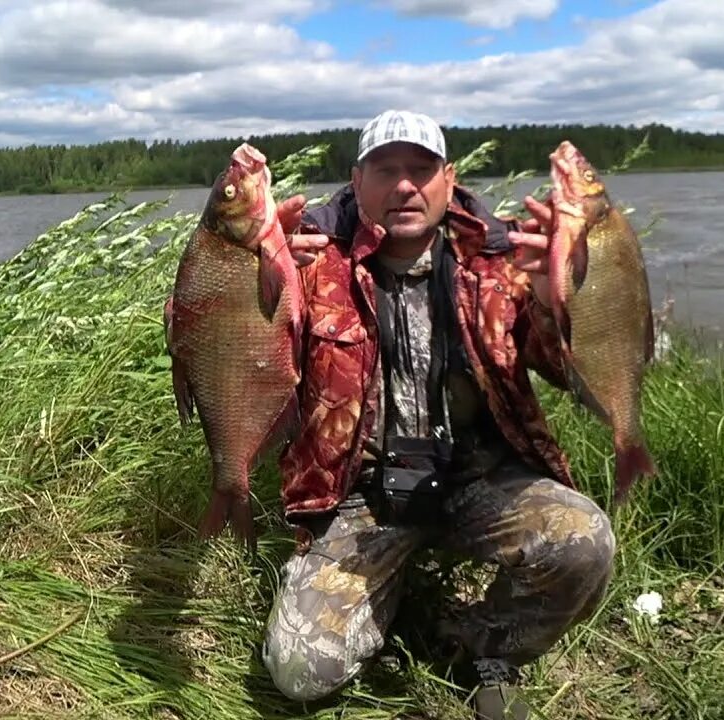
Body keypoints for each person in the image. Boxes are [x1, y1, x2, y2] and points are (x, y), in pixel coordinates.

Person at [260, 110, 618, 720]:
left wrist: (568, 297)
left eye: (421, 170)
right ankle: (396, 599)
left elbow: (575, 376)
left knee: (584, 543)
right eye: (386, 170)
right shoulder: (308, 258)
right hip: (362, 497)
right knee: (299, 672)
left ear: (448, 179)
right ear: (356, 179)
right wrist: (254, 279)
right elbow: (203, 332)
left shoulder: (503, 259)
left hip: (477, 479)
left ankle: (485, 642)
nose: (405, 185)